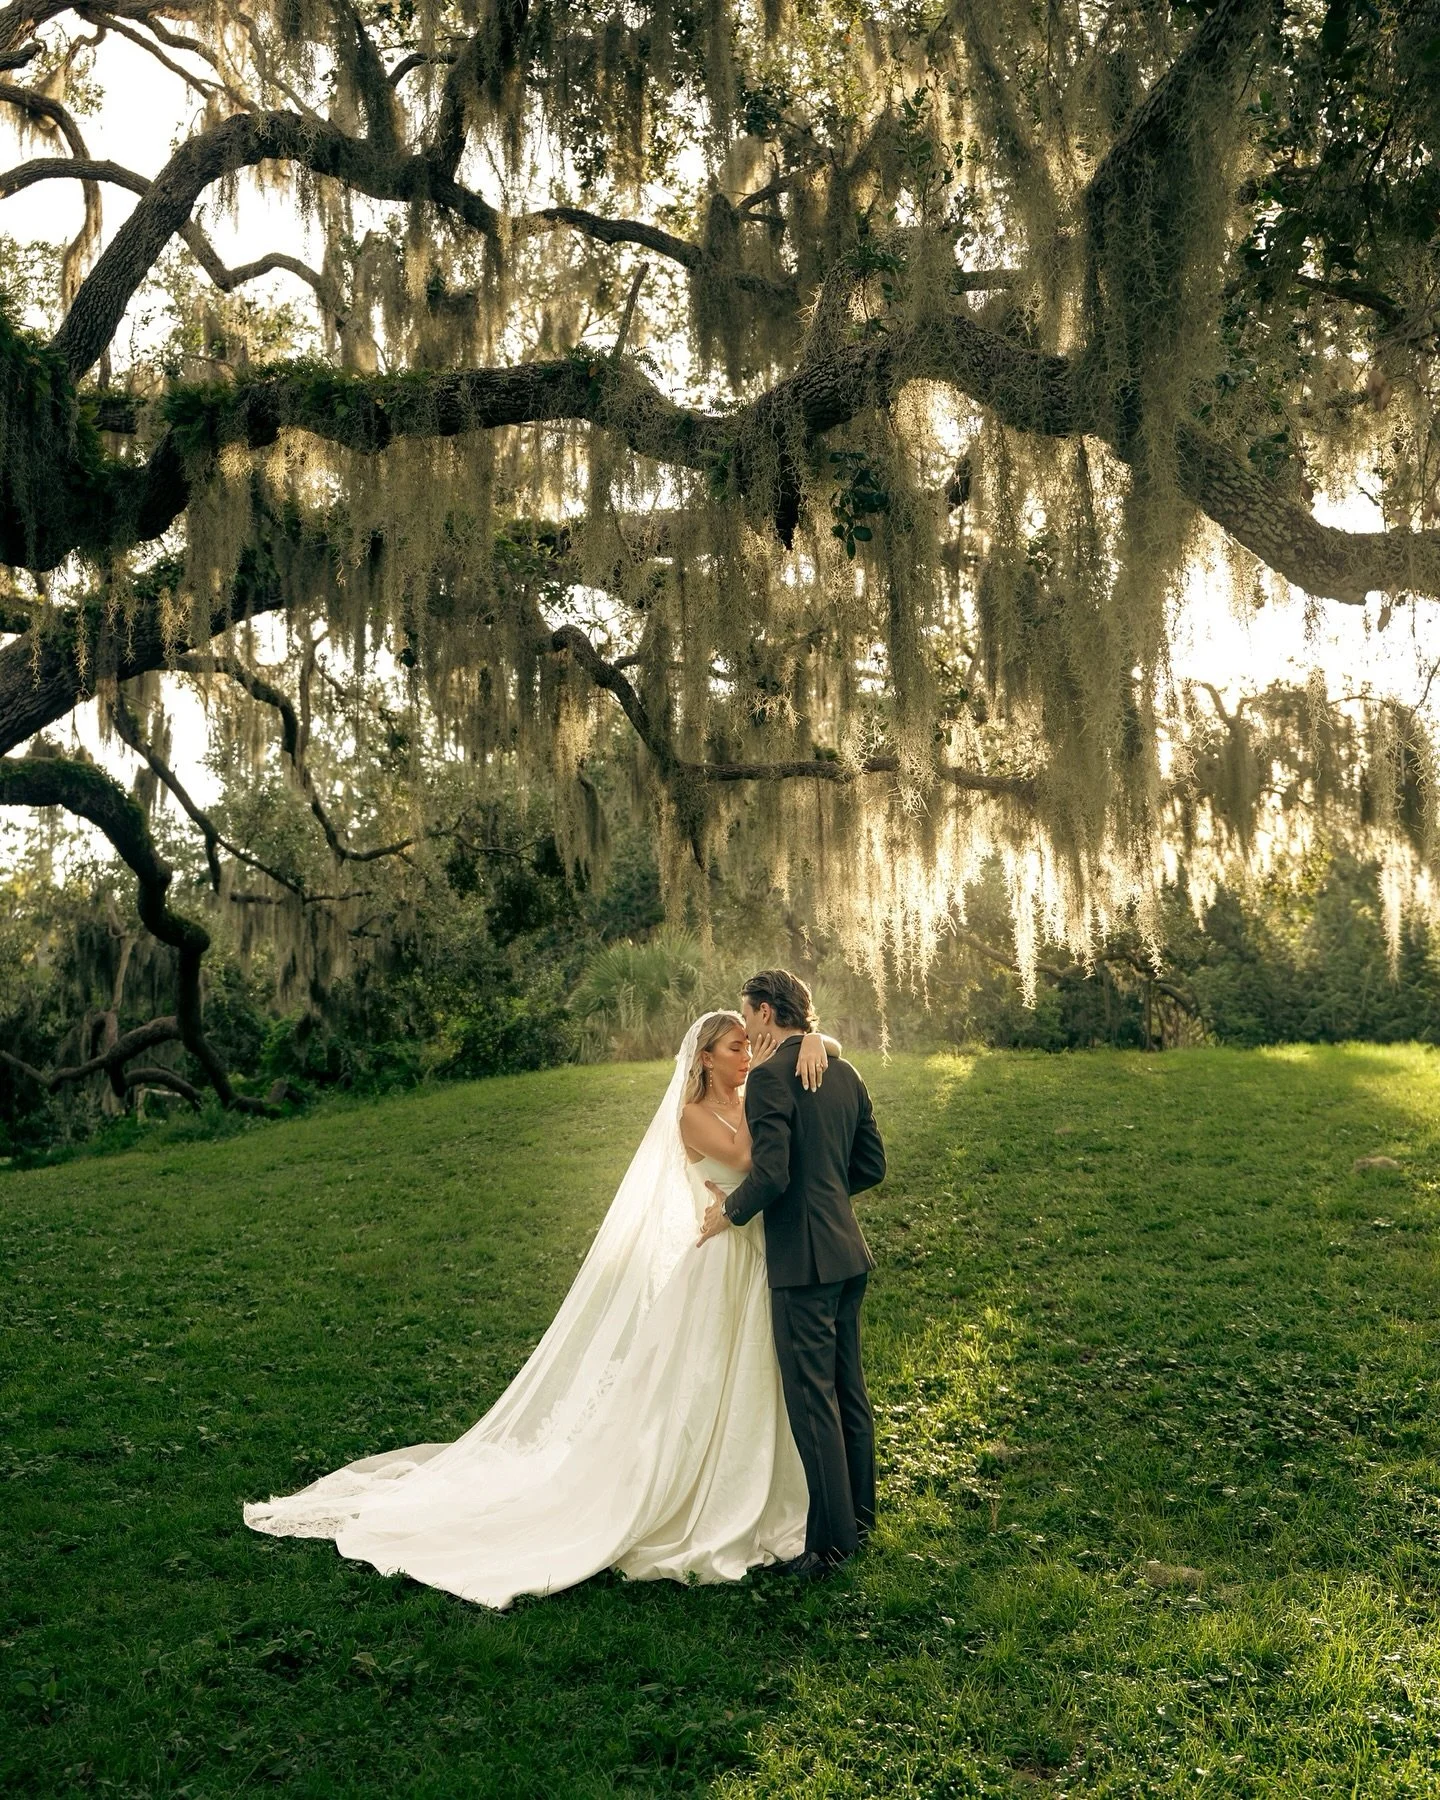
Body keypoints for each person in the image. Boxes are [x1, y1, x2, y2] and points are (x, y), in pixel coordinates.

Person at [243, 1012, 835, 1609]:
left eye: (749, 1048)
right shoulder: (693, 1116)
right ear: (705, 1058)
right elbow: (742, 1163)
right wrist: (772, 1084)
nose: (746, 1056)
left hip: (760, 1254)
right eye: (736, 1048)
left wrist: (809, 1042)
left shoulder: (755, 1094)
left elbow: (785, 1126)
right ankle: (698, 1498)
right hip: (721, 1263)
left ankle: (772, 1496)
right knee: (705, 1379)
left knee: (762, 1379)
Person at [697, 969, 887, 1577]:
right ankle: (859, 1519)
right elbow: (871, 1165)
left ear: (765, 1013)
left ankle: (829, 1548)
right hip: (847, 1254)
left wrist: (728, 1210)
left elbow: (772, 1174)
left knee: (814, 1400)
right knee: (847, 1390)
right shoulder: (847, 1073)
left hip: (802, 1263)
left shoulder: (770, 1081)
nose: (747, 1030)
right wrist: (826, 1195)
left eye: (747, 1016)